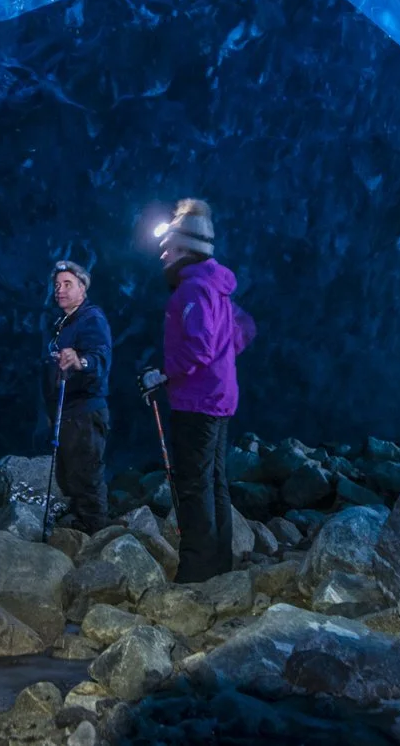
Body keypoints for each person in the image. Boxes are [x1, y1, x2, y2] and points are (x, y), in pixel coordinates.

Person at [155, 198, 253, 583]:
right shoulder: (217, 287)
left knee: (193, 486)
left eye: (169, 246)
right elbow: (243, 329)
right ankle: (218, 564)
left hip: (196, 401)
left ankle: (195, 571)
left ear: (185, 249)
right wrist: (222, 362)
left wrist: (164, 372)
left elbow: (199, 347)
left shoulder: (192, 290)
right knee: (215, 483)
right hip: (219, 398)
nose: (163, 253)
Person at [44, 260, 113, 534]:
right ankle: (78, 529)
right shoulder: (64, 322)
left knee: (86, 476)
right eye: (57, 285)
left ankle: (94, 535)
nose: (60, 290)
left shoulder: (91, 319)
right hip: (67, 412)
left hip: (85, 410)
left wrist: (80, 361)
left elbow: (100, 357)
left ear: (82, 287)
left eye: (67, 284)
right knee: (70, 474)